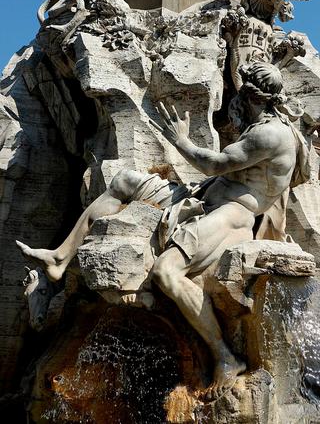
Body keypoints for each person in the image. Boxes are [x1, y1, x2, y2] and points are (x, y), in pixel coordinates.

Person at [17, 62, 310, 399]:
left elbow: (214, 164)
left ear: (251, 95)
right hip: (204, 197)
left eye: (243, 93)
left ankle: (224, 356)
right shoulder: (263, 124)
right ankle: (59, 257)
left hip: (232, 216)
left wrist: (181, 140)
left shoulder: (269, 134)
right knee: (125, 181)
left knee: (166, 272)